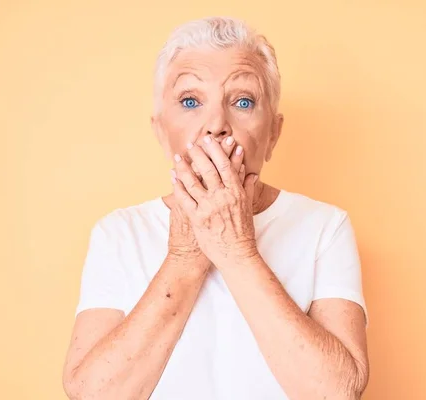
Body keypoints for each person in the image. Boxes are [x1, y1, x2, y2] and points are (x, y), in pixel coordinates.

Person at [62, 16, 369, 400]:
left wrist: (236, 250)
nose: (215, 125)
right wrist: (186, 254)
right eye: (190, 101)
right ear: (161, 131)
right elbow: (93, 394)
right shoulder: (118, 232)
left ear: (273, 134)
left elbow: (338, 393)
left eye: (242, 101)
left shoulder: (325, 226)